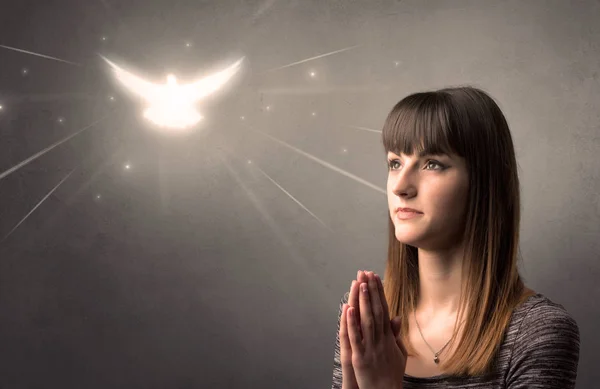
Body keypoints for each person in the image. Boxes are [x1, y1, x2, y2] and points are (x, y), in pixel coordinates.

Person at [330, 86, 580, 388]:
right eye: (395, 162)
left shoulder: (538, 332)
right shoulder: (367, 315)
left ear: (483, 182)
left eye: (432, 163)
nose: (400, 186)